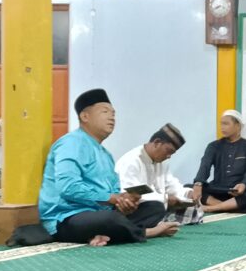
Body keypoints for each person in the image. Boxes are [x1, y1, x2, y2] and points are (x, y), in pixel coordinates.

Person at [38, 89, 179, 246]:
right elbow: (68, 187)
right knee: (109, 219)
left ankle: (102, 234)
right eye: (105, 112)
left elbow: (114, 193)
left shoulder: (106, 155)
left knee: (154, 207)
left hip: (99, 214)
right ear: (85, 117)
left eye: (113, 114)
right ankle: (146, 232)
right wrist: (111, 198)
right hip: (67, 217)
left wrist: (124, 202)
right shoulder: (70, 143)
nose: (111, 117)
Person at [115, 123, 202, 225]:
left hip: (158, 205)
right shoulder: (131, 161)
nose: (169, 156)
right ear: (156, 142)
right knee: (157, 208)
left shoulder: (161, 162)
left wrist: (188, 194)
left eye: (172, 153)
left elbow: (171, 185)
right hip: (135, 209)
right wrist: (165, 199)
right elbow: (129, 196)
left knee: (190, 202)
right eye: (168, 151)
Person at [192, 110, 246, 214]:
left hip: (238, 192)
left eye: (226, 124)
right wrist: (198, 183)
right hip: (217, 190)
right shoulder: (213, 146)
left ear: (238, 126)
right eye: (221, 124)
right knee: (189, 188)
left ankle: (211, 208)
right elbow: (205, 166)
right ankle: (231, 207)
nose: (222, 127)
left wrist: (244, 184)